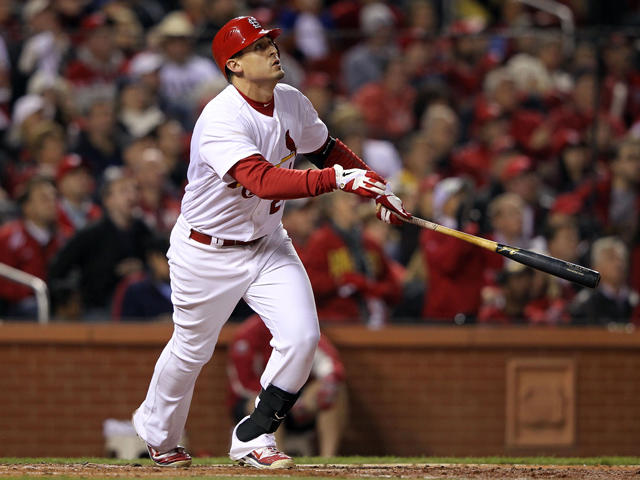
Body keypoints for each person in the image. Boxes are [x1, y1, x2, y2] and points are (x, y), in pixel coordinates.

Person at [131, 15, 410, 471]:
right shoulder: (221, 117)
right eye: (259, 47)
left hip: (266, 242)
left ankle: (255, 434)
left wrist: (376, 186)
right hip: (206, 249)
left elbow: (326, 150)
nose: (272, 50)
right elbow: (261, 180)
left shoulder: (290, 101)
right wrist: (337, 180)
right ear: (234, 65)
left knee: (302, 337)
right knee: (191, 350)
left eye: (270, 43)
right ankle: (158, 431)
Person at [227, 314, 347, 457]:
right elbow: (243, 384)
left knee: (333, 391)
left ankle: (328, 458)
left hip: (295, 400)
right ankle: (272, 455)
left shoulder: (299, 329)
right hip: (256, 400)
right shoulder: (249, 333)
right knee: (266, 405)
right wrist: (279, 400)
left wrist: (325, 384)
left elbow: (331, 366)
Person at [49, 166, 152, 319]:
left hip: (139, 307)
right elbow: (57, 269)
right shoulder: (91, 233)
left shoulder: (143, 230)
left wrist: (142, 268)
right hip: (97, 309)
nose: (132, 196)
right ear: (108, 200)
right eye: (124, 191)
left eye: (135, 190)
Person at [0, 176, 62, 318]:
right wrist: (29, 292)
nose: (51, 204)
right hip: (14, 307)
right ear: (27, 206)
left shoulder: (62, 238)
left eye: (54, 198)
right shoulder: (7, 237)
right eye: (44, 199)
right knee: (32, 307)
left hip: (52, 301)